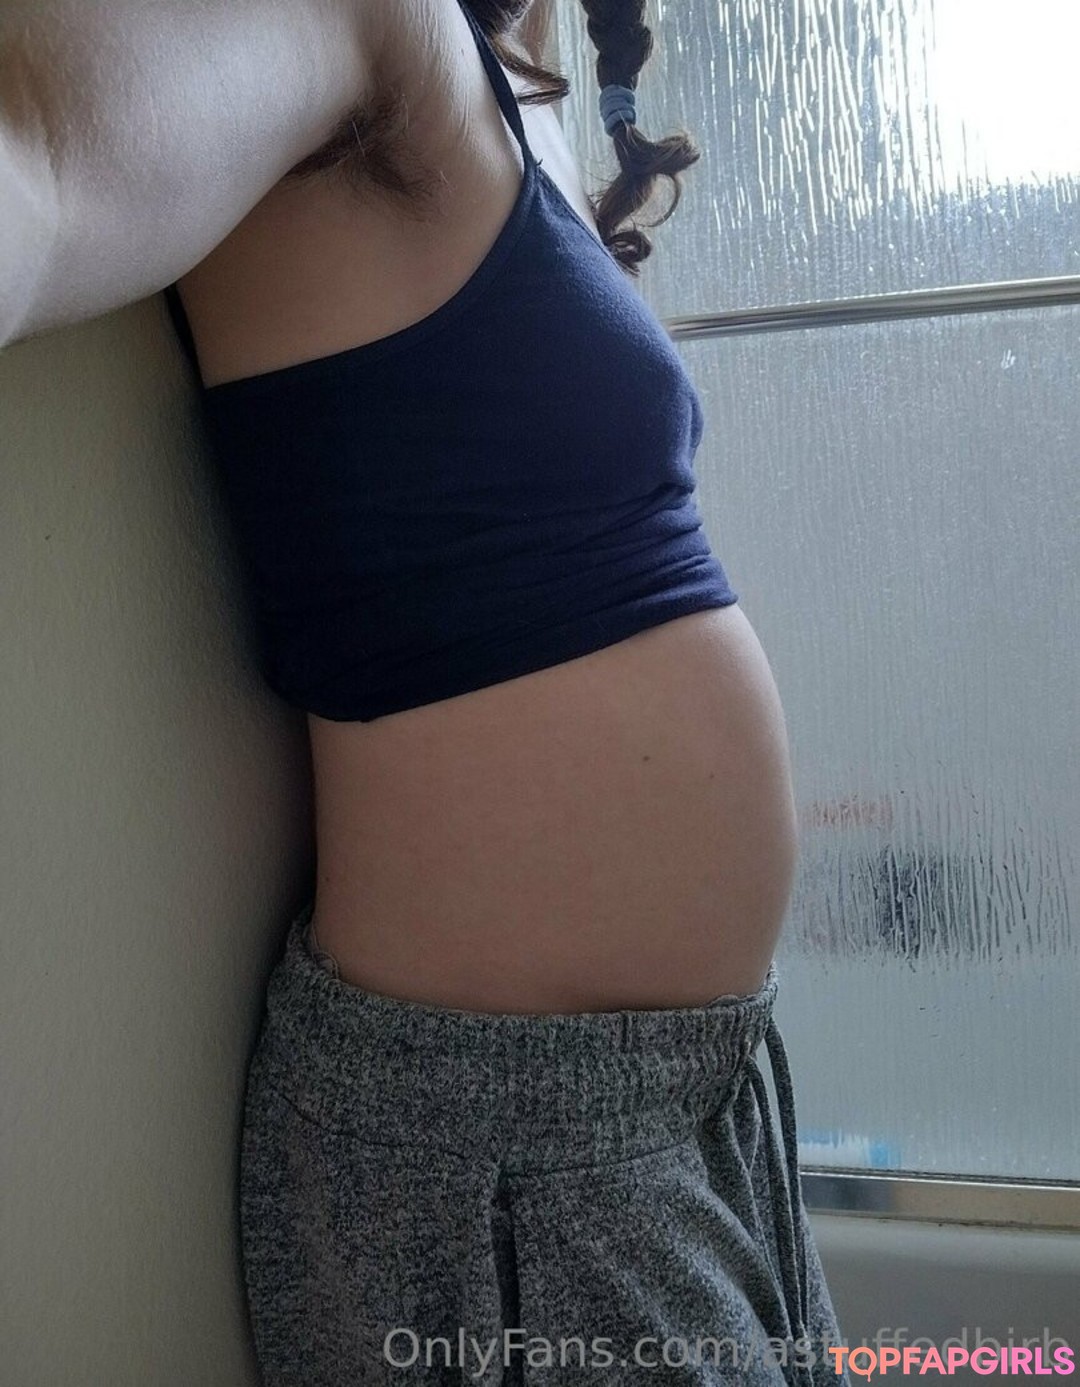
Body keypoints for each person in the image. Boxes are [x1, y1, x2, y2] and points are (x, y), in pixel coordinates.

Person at [2, 0, 852, 1381]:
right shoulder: (348, 22)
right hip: (509, 1143)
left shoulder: (509, 83)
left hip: (691, 1093)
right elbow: (35, 173)